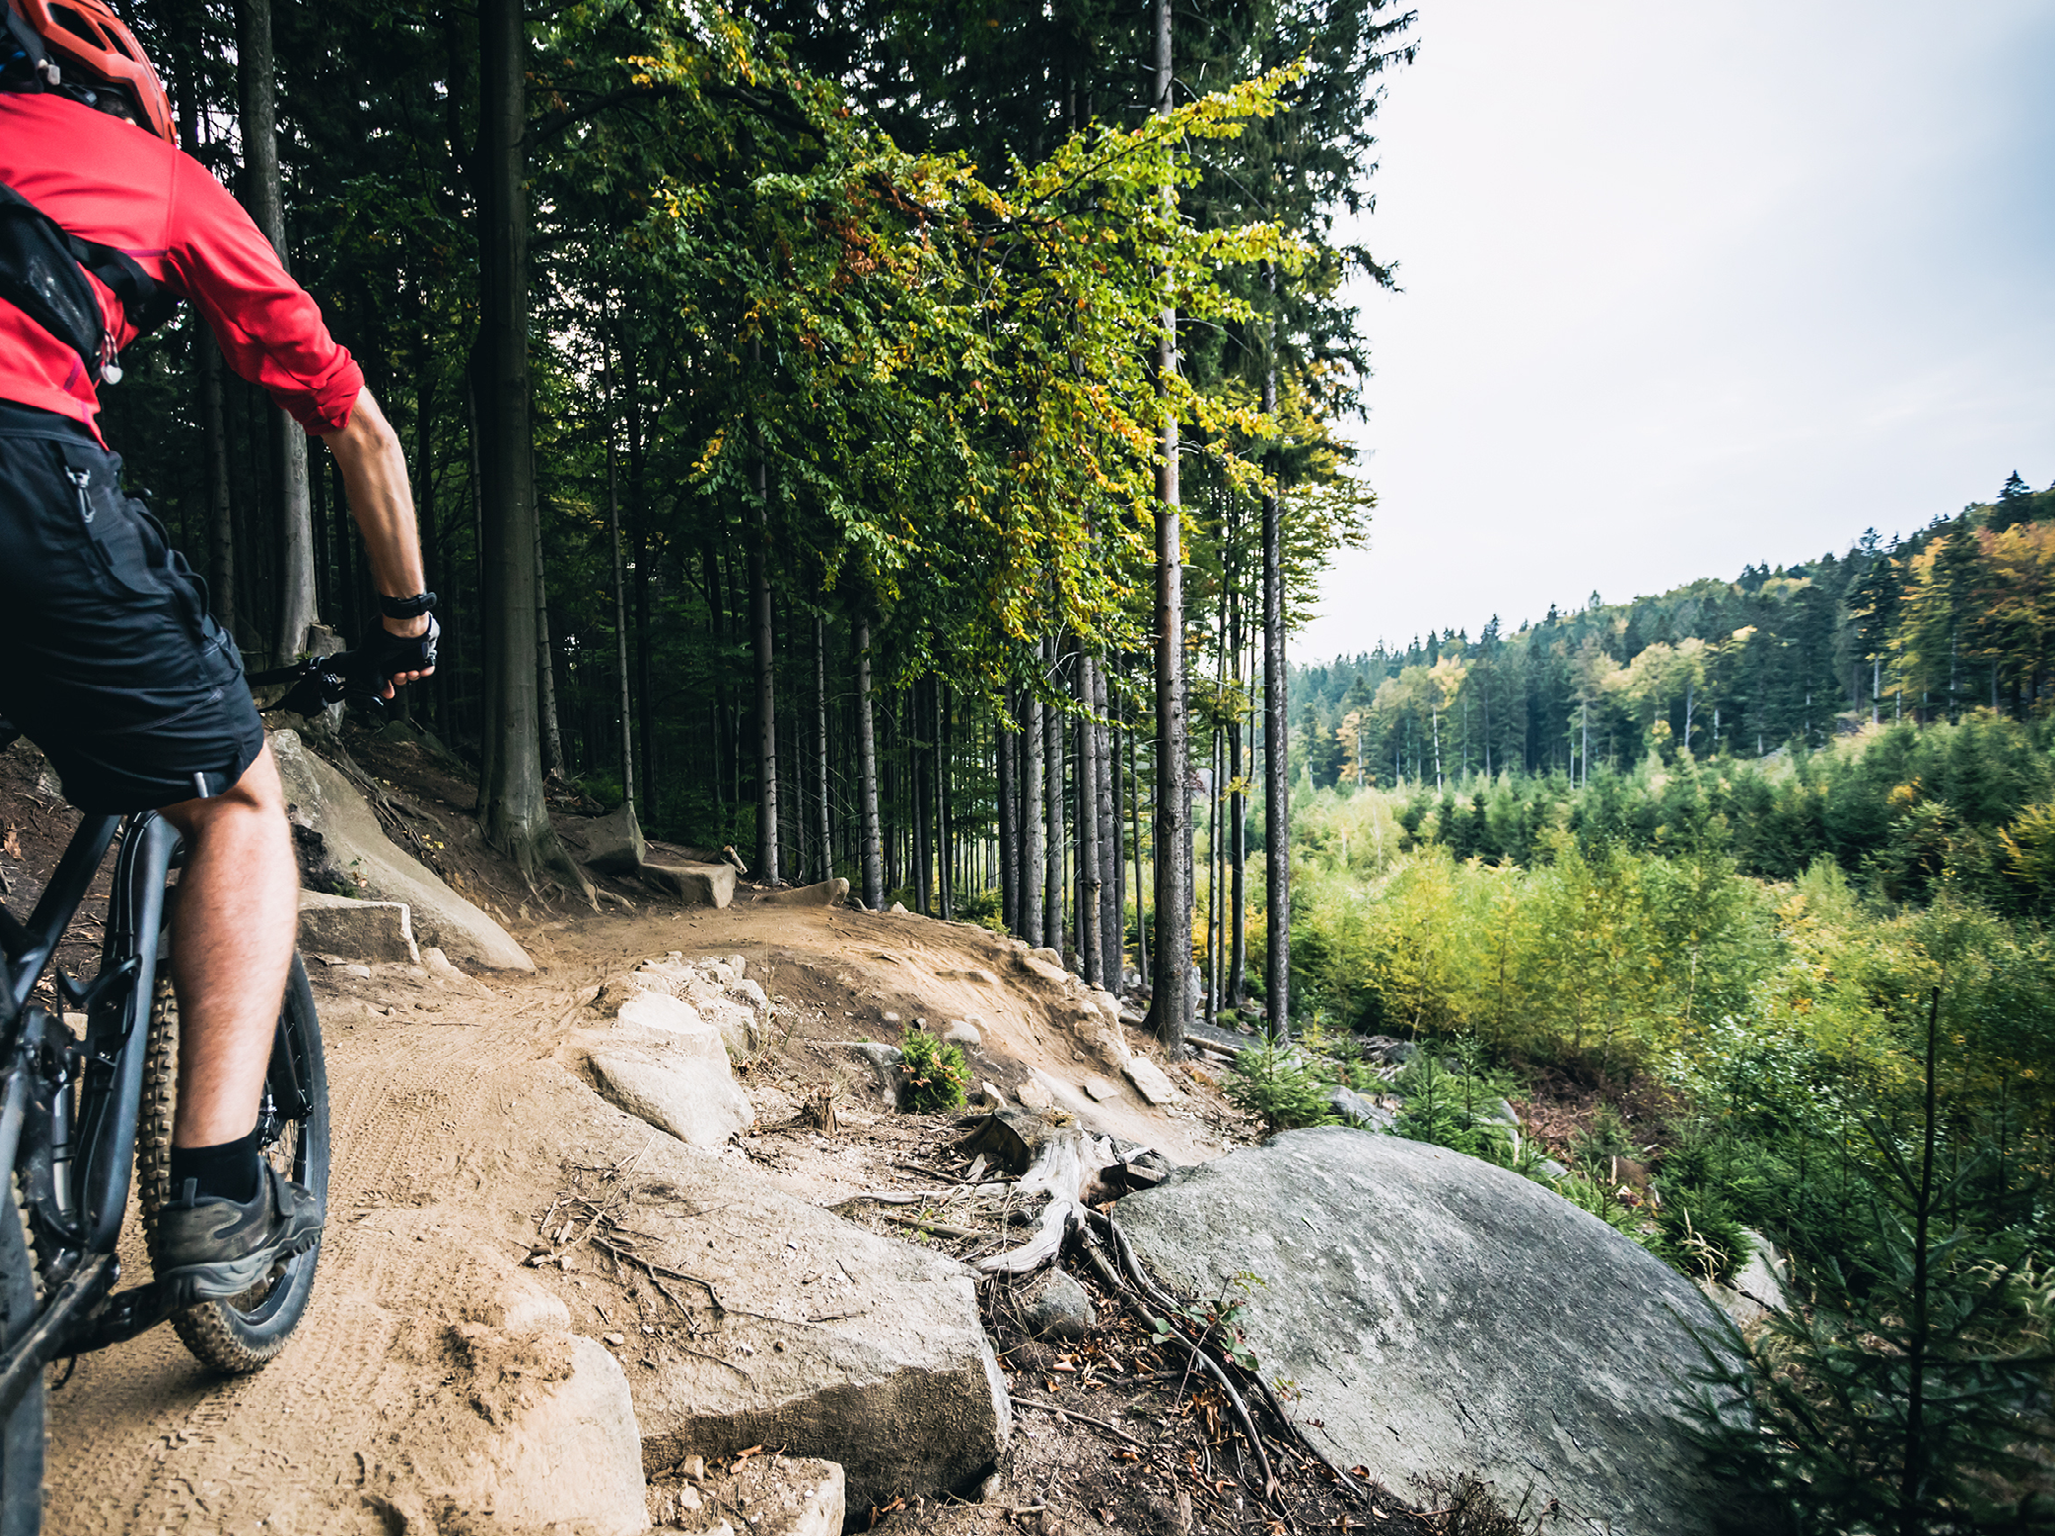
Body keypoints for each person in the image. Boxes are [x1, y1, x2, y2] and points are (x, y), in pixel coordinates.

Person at [0, 0, 434, 1298]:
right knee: (239, 795)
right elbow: (359, 431)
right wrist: (404, 623)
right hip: (27, 470)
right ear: (127, 96)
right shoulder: (158, 179)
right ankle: (219, 1189)